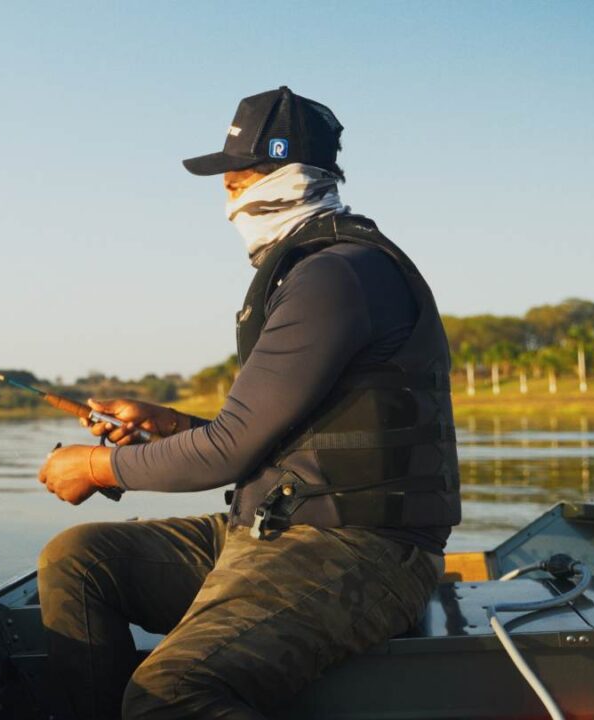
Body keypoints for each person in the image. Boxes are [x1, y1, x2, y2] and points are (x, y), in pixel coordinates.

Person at [36, 86, 461, 720]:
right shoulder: (309, 271)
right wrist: (173, 425)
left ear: (286, 179)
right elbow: (270, 445)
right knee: (79, 559)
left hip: (362, 553)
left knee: (169, 694)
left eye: (238, 182)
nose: (229, 201)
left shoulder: (335, 275)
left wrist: (96, 467)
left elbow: (227, 451)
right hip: (272, 530)